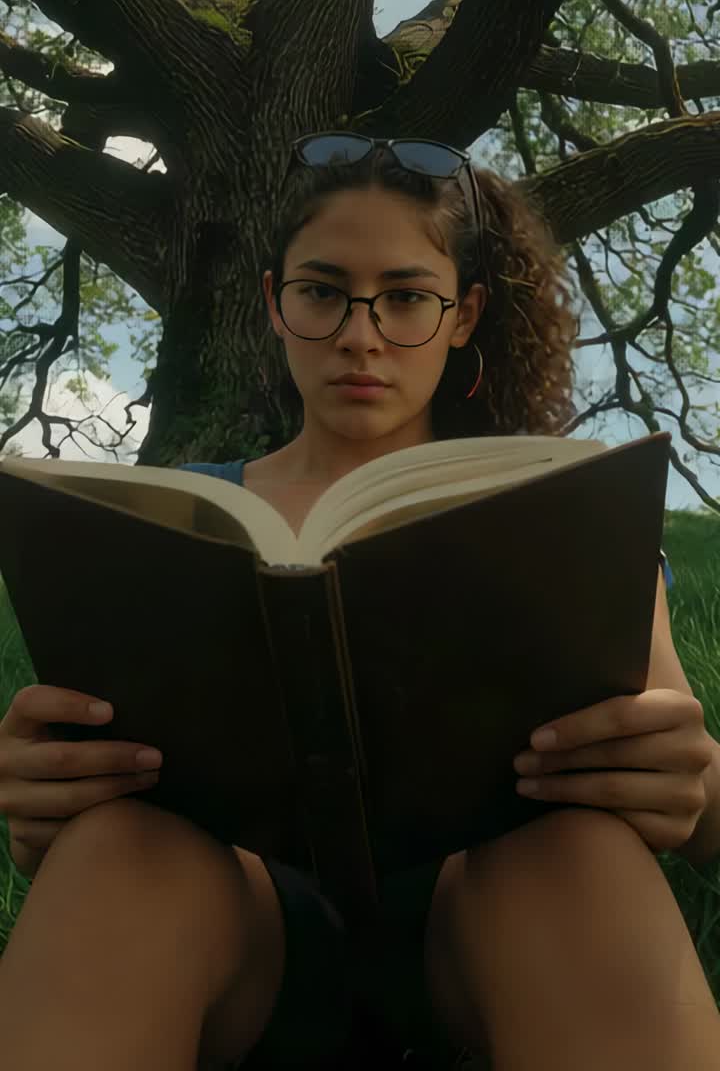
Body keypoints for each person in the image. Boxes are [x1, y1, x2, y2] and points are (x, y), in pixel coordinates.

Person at [0, 133, 716, 1071]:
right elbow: (80, 760)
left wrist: (688, 783)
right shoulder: (170, 515)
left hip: (491, 916)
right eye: (323, 291)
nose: (359, 333)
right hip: (232, 915)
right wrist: (44, 787)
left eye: (407, 297)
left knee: (577, 856)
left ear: (464, 316)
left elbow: (683, 774)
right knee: (115, 854)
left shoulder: (564, 512)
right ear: (275, 303)